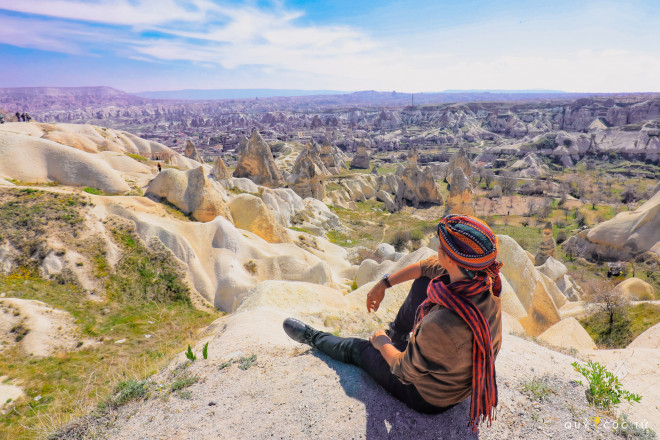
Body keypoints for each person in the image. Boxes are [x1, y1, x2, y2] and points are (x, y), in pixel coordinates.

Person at [283, 214, 503, 432]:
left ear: (452, 259)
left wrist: (381, 343)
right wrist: (383, 283)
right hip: (460, 381)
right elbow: (425, 267)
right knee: (425, 283)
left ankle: (313, 337)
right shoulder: (485, 282)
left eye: (441, 247)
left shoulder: (441, 323)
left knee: (358, 350)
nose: (437, 249)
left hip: (429, 398)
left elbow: (403, 371)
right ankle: (398, 335)